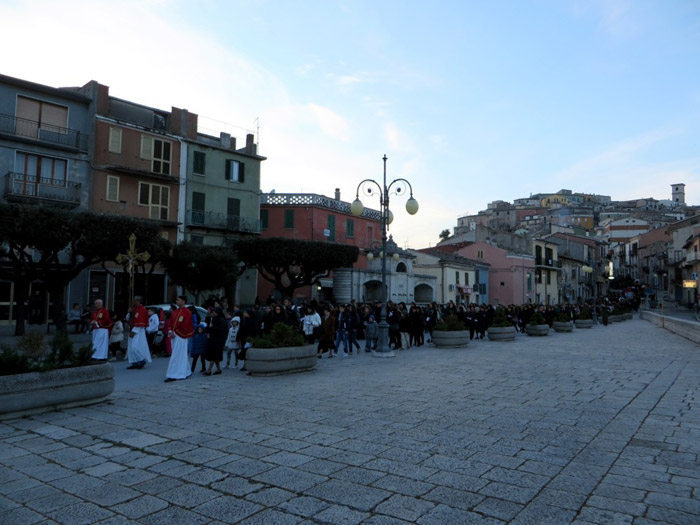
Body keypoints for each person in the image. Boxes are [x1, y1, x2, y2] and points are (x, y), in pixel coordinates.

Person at [165, 296, 193, 382]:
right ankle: (187, 371)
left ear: (183, 301)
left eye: (179, 300)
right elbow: (171, 322)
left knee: (177, 355)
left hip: (180, 336)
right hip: (174, 335)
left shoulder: (187, 312)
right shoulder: (175, 312)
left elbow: (186, 325)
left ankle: (174, 374)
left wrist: (176, 332)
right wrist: (170, 331)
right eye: (176, 300)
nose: (177, 301)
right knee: (179, 355)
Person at [126, 295, 151, 370]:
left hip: (138, 331)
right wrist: (129, 312)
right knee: (130, 348)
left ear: (138, 301)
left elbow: (140, 322)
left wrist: (134, 331)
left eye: (134, 300)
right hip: (132, 329)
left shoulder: (142, 310)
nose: (133, 302)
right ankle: (134, 362)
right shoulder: (134, 309)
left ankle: (141, 360)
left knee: (135, 347)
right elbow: (128, 318)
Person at [204, 307, 228, 375]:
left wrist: (212, 328)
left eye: (215, 312)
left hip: (218, 340)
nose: (214, 313)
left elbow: (220, 329)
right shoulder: (213, 319)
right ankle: (218, 369)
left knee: (213, 355)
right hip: (212, 339)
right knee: (215, 356)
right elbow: (209, 326)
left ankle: (209, 370)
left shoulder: (222, 320)